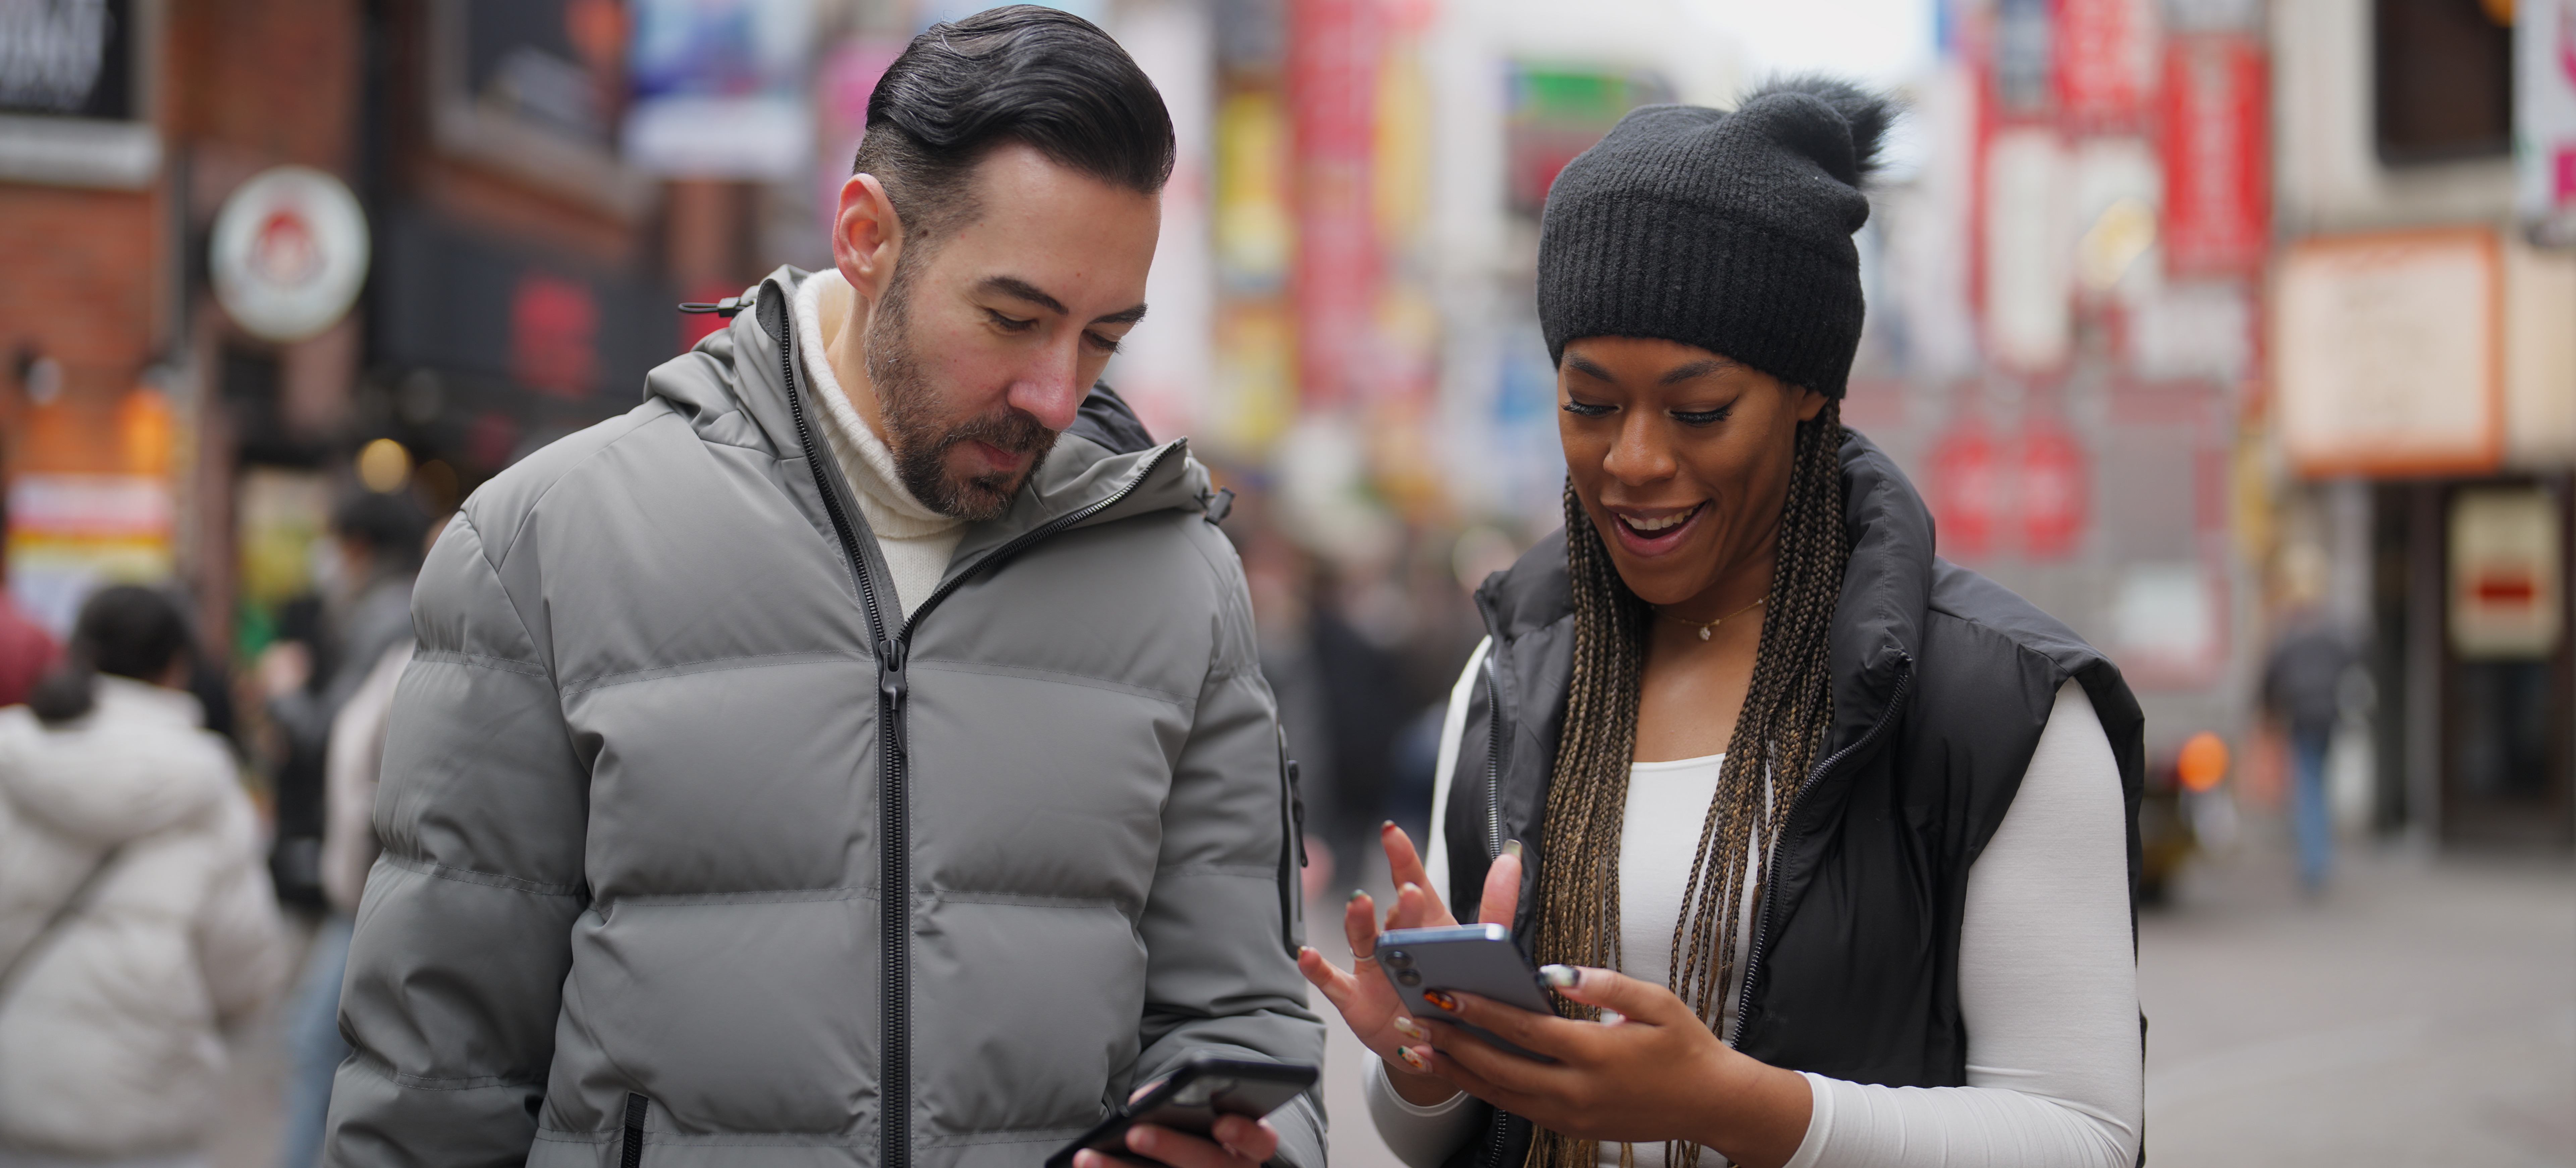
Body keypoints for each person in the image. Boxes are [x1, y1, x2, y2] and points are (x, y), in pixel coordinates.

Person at [322, 9, 1323, 1168]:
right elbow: (433, 1087)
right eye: (1014, 318)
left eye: (1104, 337)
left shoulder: (1178, 576)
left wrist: (1264, 1150)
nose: (1058, 391)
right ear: (866, 235)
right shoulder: (543, 542)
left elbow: (1245, 1016)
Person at [1297, 79, 2147, 1168]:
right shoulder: (1510, 684)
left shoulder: (2000, 706)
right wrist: (1424, 1066)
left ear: (1807, 389)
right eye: (1590, 403)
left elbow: (2087, 1140)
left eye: (1698, 410)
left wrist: (1739, 1107)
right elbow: (1446, 1137)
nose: (1636, 460)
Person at [0, 585, 289, 1167]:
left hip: (16, 1094)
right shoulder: (207, 785)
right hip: (149, 1112)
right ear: (176, 668)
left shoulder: (13, 752)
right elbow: (245, 972)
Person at [2260, 546, 2353, 894]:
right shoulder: (2333, 630)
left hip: (2300, 715)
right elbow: (2353, 662)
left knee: (2308, 786)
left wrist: (2267, 710)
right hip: (2328, 715)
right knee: (2320, 784)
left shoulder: (2288, 633)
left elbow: (2270, 675)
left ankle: (2313, 862)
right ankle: (2320, 857)